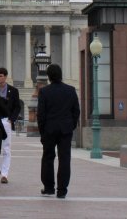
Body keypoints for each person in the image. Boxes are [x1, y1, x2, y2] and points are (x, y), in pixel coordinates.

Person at [37, 63, 80, 199]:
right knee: (65, 159)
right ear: (61, 75)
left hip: (49, 129)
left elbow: (41, 114)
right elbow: (76, 111)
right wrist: (71, 125)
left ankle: (49, 187)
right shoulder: (71, 90)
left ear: (49, 76)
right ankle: (62, 190)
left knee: (48, 158)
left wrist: (42, 131)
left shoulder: (44, 92)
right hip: (65, 130)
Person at [0, 67, 21, 184]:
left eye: (0, 76)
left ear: (5, 77)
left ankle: (4, 174)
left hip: (6, 121)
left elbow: (17, 107)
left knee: (6, 148)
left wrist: (11, 119)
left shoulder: (13, 91)